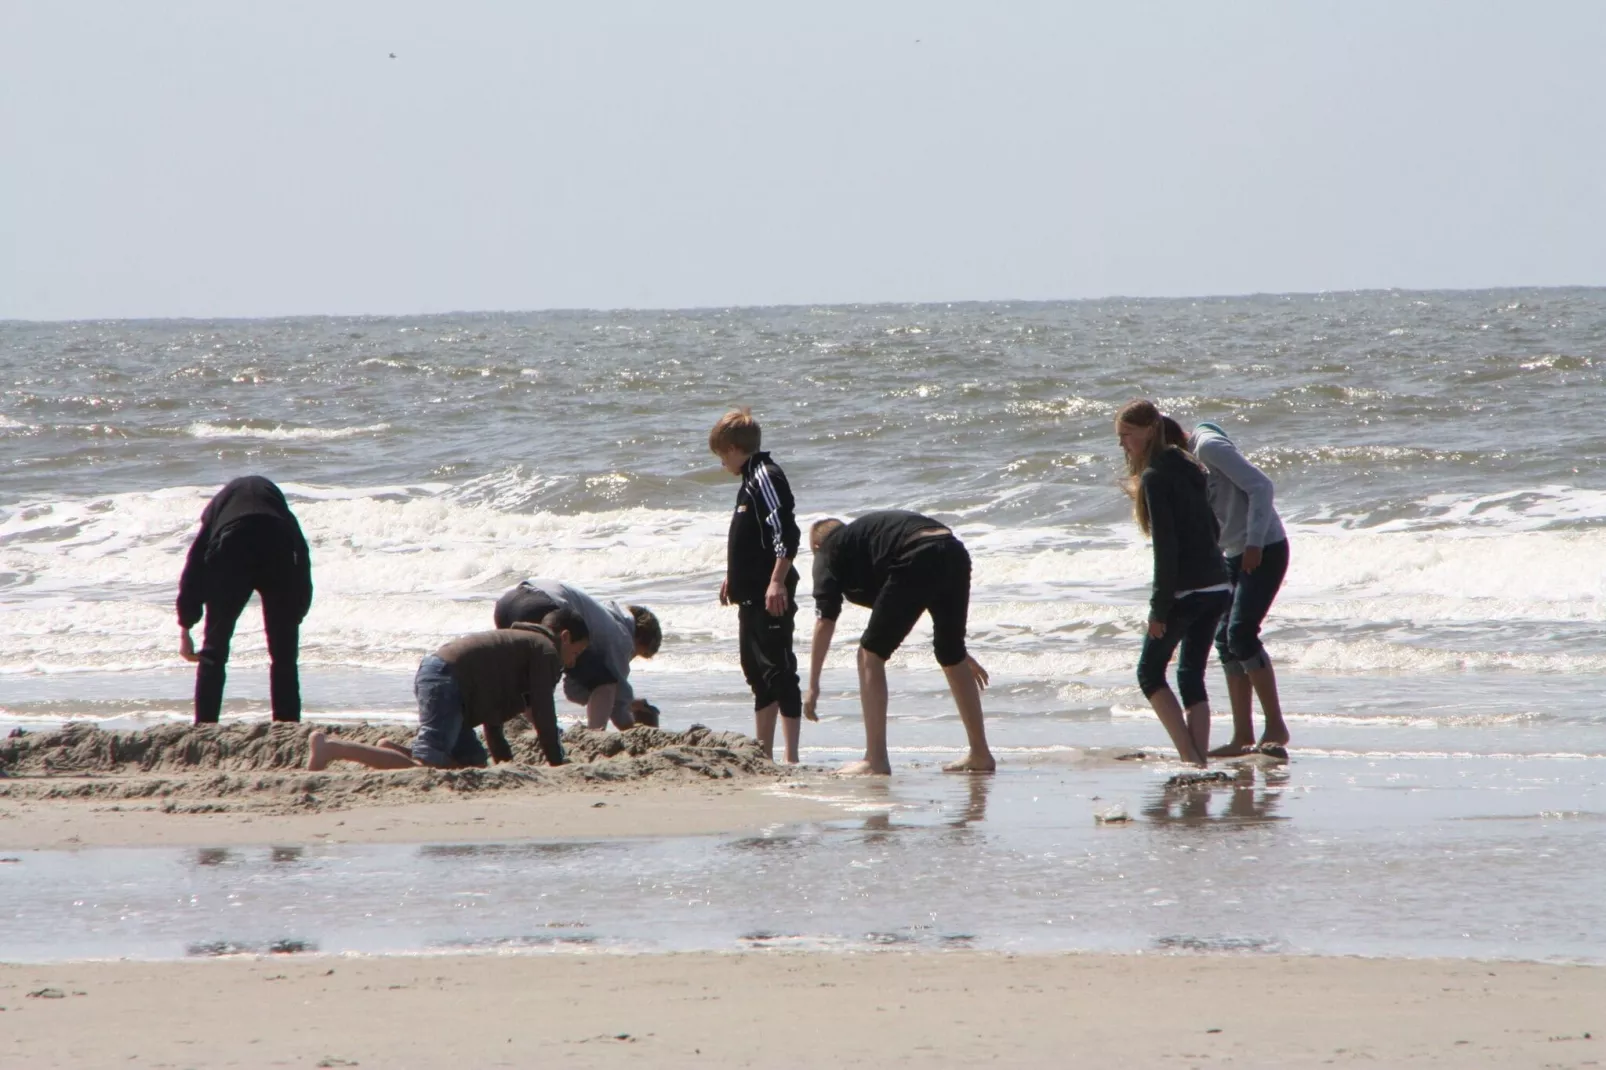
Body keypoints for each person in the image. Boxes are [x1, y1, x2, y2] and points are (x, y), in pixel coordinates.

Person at [805, 510, 995, 776]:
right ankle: (980, 754)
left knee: (868, 654)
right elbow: (918, 596)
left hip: (917, 553)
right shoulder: (867, 542)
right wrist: (960, 652)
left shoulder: (828, 549)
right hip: (952, 549)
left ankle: (875, 759)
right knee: (950, 655)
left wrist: (812, 686)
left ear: (815, 546)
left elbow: (825, 619)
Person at [306, 606, 588, 771]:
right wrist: (556, 762)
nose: (573, 662)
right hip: (447, 680)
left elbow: (494, 719)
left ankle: (391, 750)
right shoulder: (546, 651)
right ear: (564, 637)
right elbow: (543, 711)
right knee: (425, 769)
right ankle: (331, 748)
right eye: (576, 653)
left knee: (472, 764)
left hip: (445, 680)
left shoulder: (522, 646)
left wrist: (504, 764)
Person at [1165, 417, 1292, 757]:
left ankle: (1276, 727)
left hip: (1264, 547)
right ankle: (1242, 736)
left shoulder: (1207, 447)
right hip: (1233, 553)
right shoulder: (1185, 464)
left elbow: (1261, 486)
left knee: (1241, 634)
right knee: (1224, 640)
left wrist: (1254, 544)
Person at [1116, 399, 1232, 767]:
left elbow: (1166, 550)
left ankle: (1188, 757)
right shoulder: (1189, 464)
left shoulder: (1154, 477)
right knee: (1189, 674)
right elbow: (1214, 528)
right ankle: (1198, 764)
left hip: (1188, 592)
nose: (1123, 445)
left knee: (1149, 673)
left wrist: (1158, 609)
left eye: (1126, 435)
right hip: (1217, 586)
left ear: (1149, 431)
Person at [709, 407, 806, 763]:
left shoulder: (766, 475)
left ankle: (792, 757)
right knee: (756, 671)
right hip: (749, 595)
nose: (722, 463)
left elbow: (785, 531)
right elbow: (752, 539)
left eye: (722, 455)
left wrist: (777, 581)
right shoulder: (748, 481)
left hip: (771, 595)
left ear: (735, 448)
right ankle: (764, 754)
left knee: (779, 670)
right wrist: (731, 577)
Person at [176, 475, 313, 724]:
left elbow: (195, 563)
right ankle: (287, 724)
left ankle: (205, 724)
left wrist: (186, 625)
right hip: (277, 545)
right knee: (284, 655)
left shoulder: (218, 509)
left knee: (214, 651)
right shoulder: (279, 510)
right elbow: (301, 554)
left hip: (232, 546)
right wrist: (298, 608)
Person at [492, 579, 661, 729]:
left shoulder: (605, 616)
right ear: (640, 638)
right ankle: (595, 734)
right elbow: (613, 691)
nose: (629, 659)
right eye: (638, 654)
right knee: (605, 682)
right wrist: (632, 728)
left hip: (507, 605)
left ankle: (536, 728)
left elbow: (576, 689)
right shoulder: (622, 638)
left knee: (531, 676)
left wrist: (628, 704)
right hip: (543, 607)